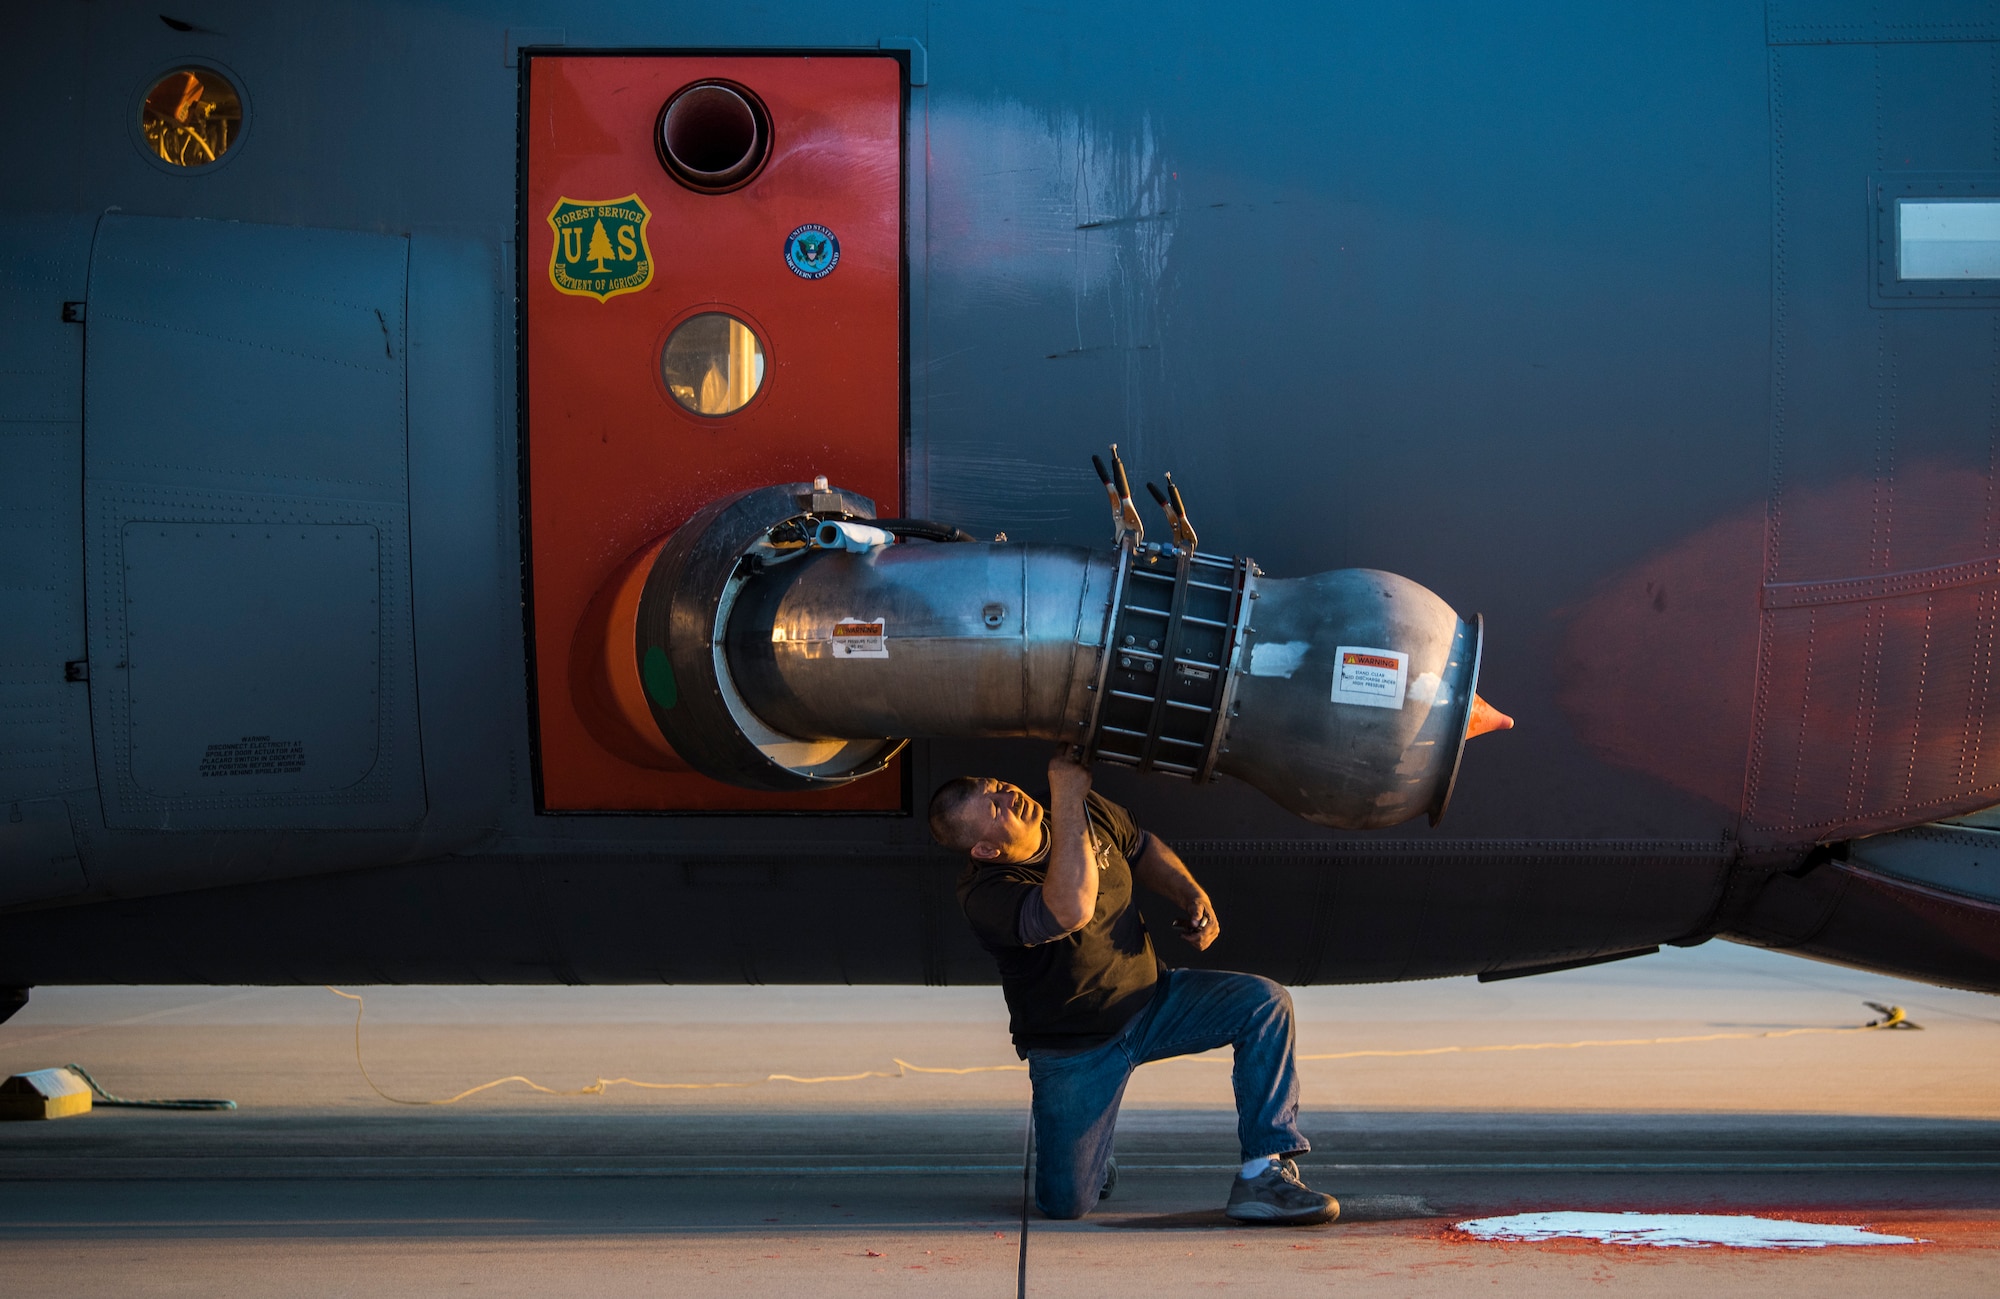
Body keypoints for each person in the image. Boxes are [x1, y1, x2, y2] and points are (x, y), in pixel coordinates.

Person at [928, 747, 1338, 1224]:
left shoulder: (1081, 807)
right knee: (1067, 1204)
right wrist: (1068, 797)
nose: (1008, 795)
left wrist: (1191, 893)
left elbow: (1139, 845)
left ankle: (1264, 1173)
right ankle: (1091, 1149)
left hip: (1153, 1000)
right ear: (985, 850)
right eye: (995, 807)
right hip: (1076, 1048)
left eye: (998, 785)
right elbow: (1070, 908)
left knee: (1265, 1002)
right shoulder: (985, 893)